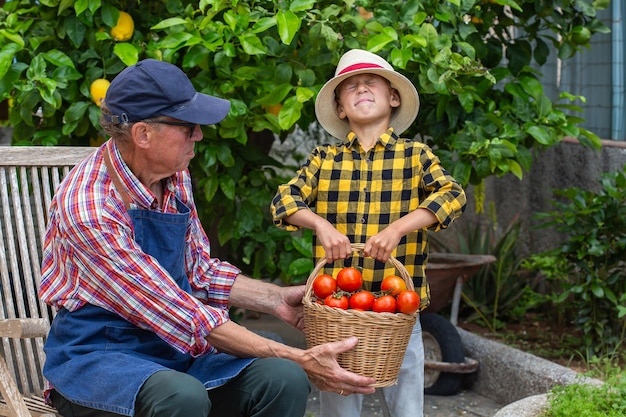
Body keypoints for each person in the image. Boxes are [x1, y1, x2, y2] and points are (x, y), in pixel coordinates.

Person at [38, 59, 376, 417]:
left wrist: (275, 299)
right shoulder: (89, 206)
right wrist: (298, 354)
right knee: (183, 396)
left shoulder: (172, 175)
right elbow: (178, 314)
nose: (199, 135)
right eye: (187, 126)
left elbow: (198, 271)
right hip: (98, 358)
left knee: (283, 377)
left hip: (172, 353)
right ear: (143, 134)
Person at [271, 49, 467, 417]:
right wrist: (319, 224)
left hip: (399, 308)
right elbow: (284, 200)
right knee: (339, 407)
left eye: (370, 82)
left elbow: (453, 195)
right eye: (350, 87)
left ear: (393, 98)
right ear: (341, 108)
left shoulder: (415, 155)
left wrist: (399, 228)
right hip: (337, 308)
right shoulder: (324, 158)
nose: (361, 89)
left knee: (407, 406)